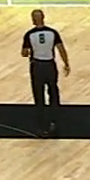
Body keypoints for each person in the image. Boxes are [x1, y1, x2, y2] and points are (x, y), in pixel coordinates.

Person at [20, 9, 69, 137]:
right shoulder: (53, 32)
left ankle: (41, 125)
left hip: (37, 66)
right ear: (43, 17)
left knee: (39, 94)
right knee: (53, 92)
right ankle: (55, 120)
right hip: (50, 65)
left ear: (33, 19)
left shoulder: (29, 34)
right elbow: (61, 49)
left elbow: (24, 53)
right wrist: (66, 63)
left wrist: (29, 52)